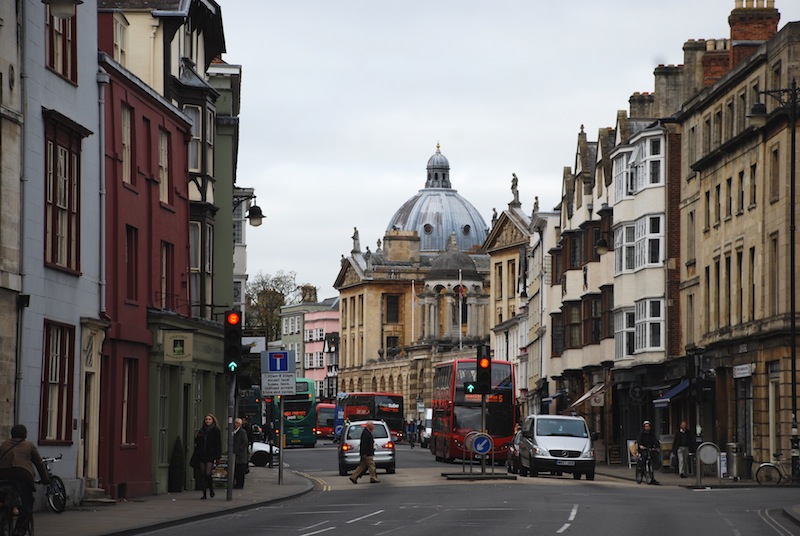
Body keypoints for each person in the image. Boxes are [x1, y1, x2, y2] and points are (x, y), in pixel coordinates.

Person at [0, 424, 49, 536]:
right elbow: (39, 464)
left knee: (3, 501)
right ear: (25, 435)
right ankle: (20, 530)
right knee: (27, 505)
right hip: (22, 476)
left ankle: (2, 522)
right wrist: (45, 479)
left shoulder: (4, 445)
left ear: (12, 434)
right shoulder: (29, 445)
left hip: (3, 475)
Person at [192, 414, 221, 499]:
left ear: (213, 420)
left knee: (207, 473)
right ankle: (204, 493)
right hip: (201, 454)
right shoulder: (202, 430)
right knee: (202, 474)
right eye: (206, 419)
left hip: (210, 455)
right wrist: (198, 437)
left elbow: (218, 444)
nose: (207, 421)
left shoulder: (216, 430)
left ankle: (211, 489)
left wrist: (217, 456)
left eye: (209, 419)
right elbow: (197, 442)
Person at [636, 420, 661, 485]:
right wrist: (640, 445)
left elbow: (655, 440)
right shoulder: (641, 434)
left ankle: (651, 477)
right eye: (646, 426)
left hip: (650, 448)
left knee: (653, 459)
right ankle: (641, 469)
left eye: (648, 426)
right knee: (644, 457)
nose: (647, 427)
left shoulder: (652, 434)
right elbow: (639, 440)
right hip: (643, 449)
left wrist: (657, 447)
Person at [232, 418, 249, 489]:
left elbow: (245, 442)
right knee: (236, 469)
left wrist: (239, 450)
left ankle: (240, 484)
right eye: (235, 423)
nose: (235, 424)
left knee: (240, 470)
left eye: (236, 423)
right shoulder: (233, 431)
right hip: (235, 453)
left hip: (240, 455)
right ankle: (236, 483)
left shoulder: (242, 432)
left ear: (240, 424)